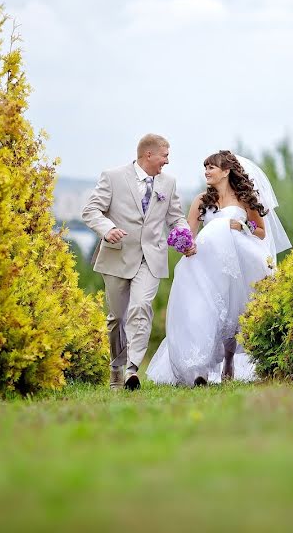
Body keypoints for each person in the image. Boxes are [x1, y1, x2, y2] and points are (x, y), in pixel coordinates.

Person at [146, 150, 291, 386]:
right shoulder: (202, 201)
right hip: (206, 263)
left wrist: (243, 226)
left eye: (211, 167)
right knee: (203, 309)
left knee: (234, 310)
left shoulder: (245, 200)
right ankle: (199, 368)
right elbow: (189, 232)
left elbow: (261, 231)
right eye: (205, 167)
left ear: (226, 171)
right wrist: (184, 244)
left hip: (239, 261)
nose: (207, 172)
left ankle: (230, 360)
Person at [82, 134, 194, 391]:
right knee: (116, 318)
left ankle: (132, 369)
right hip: (117, 256)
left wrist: (183, 236)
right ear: (148, 155)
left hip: (151, 258)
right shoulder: (112, 177)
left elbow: (175, 218)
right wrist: (107, 229)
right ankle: (116, 367)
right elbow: (90, 211)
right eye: (165, 155)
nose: (167, 161)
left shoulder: (169, 183)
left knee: (141, 307)